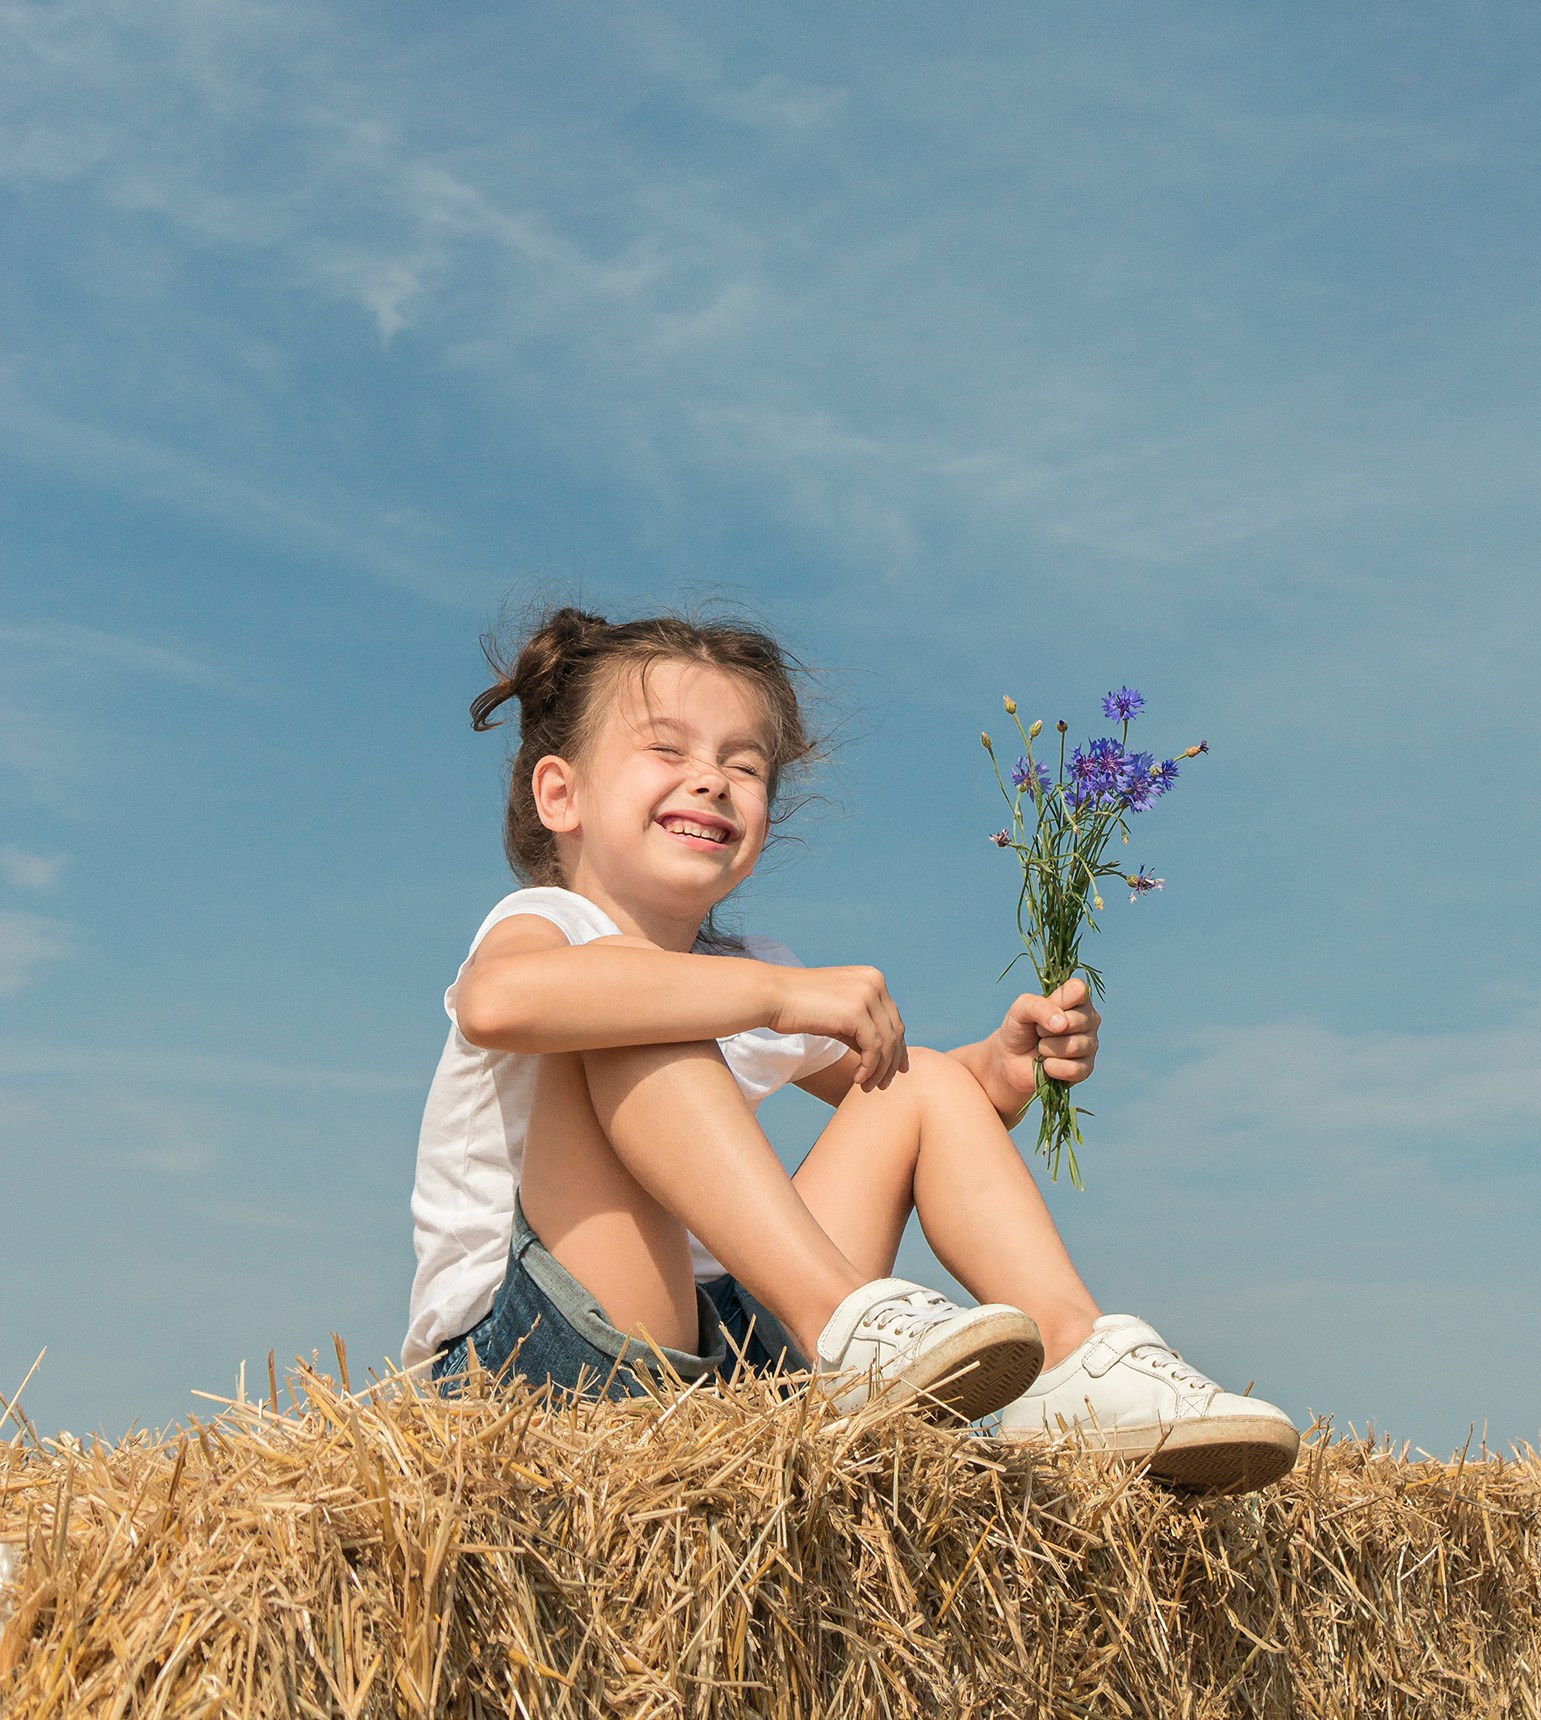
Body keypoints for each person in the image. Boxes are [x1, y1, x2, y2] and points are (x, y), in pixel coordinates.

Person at [406, 602, 1299, 1492]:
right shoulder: (548, 923)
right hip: (534, 1361)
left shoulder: (750, 967)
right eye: (668, 751)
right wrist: (779, 996)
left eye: (743, 765)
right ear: (559, 795)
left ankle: (1073, 1361)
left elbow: (907, 1104)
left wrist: (998, 1071)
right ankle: (843, 1321)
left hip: (734, 1364)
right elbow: (495, 1003)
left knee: (922, 1082)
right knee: (631, 1005)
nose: (710, 780)